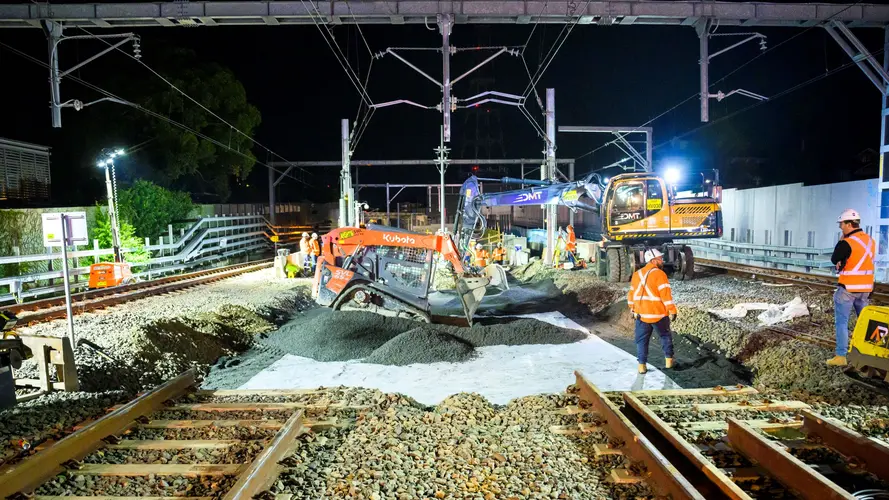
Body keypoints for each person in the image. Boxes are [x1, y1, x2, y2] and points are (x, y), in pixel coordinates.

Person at [828, 208, 875, 367]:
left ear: (849, 224)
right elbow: (861, 261)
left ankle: (841, 356)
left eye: (841, 224)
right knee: (865, 323)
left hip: (848, 289)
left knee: (842, 322)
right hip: (866, 290)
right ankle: (869, 353)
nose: (840, 227)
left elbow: (835, 259)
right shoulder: (870, 241)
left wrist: (841, 241)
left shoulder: (846, 242)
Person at [628, 249, 677, 374]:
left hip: (641, 314)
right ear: (653, 260)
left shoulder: (637, 274)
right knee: (665, 336)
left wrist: (632, 308)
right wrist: (672, 310)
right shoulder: (660, 274)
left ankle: (641, 366)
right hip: (658, 314)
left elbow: (632, 294)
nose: (662, 261)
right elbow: (665, 295)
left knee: (641, 341)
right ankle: (669, 362)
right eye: (660, 258)